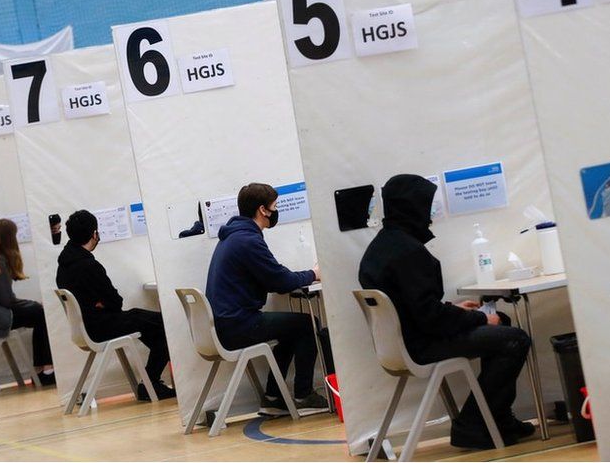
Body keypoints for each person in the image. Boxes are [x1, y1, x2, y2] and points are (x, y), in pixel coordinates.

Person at [358, 174, 534, 449]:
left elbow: (413, 307)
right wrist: (478, 317)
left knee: (502, 324)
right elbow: (431, 319)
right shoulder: (407, 251)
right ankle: (474, 425)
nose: (430, 213)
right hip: (422, 345)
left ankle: (496, 419)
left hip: (404, 343)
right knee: (514, 339)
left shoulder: (383, 246)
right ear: (413, 206)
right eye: (427, 205)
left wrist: (453, 309)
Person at [206, 182, 326, 416]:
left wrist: (295, 276)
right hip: (237, 325)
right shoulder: (248, 240)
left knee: (291, 330)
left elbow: (272, 277)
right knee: (306, 325)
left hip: (227, 322)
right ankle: (303, 395)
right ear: (263, 210)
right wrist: (313, 274)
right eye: (274, 206)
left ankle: (273, 396)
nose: (276, 211)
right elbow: (279, 281)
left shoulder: (233, 237)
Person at [56, 210, 175, 401]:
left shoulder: (63, 265)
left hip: (88, 327)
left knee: (151, 325)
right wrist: (102, 304)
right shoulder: (89, 265)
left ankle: (150, 382)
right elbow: (116, 302)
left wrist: (100, 304)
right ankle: (150, 381)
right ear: (94, 234)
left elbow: (106, 302)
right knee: (163, 323)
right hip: (101, 327)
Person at [0, 219, 55, 385]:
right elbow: (7, 300)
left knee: (36, 311)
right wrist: (33, 304)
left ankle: (41, 369)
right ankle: (47, 368)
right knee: (40, 313)